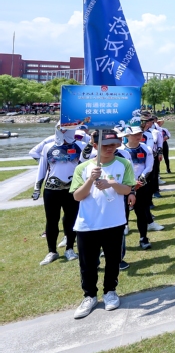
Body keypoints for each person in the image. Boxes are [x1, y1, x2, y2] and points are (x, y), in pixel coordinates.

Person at [70, 131, 135, 319]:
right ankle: (89, 296)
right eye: (105, 145)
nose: (109, 148)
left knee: (113, 260)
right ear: (95, 145)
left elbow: (127, 189)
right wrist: (91, 180)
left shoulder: (123, 164)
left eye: (113, 144)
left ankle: (110, 292)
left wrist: (111, 183)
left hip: (114, 222)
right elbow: (77, 196)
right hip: (88, 224)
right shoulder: (82, 168)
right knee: (88, 264)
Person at [33, 124, 85, 265]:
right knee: (51, 220)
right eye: (61, 129)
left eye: (67, 129)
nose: (64, 132)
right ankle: (52, 251)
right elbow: (42, 168)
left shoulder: (81, 146)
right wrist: (37, 188)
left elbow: (86, 165)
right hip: (52, 189)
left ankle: (70, 248)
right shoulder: (48, 147)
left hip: (72, 189)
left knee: (71, 219)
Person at [124, 126, 158, 250]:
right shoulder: (121, 150)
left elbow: (149, 166)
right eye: (134, 134)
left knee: (141, 212)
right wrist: (130, 182)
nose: (138, 136)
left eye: (140, 134)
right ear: (127, 136)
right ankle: (121, 240)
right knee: (123, 213)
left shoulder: (146, 148)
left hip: (141, 185)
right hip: (125, 186)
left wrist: (140, 180)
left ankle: (143, 238)